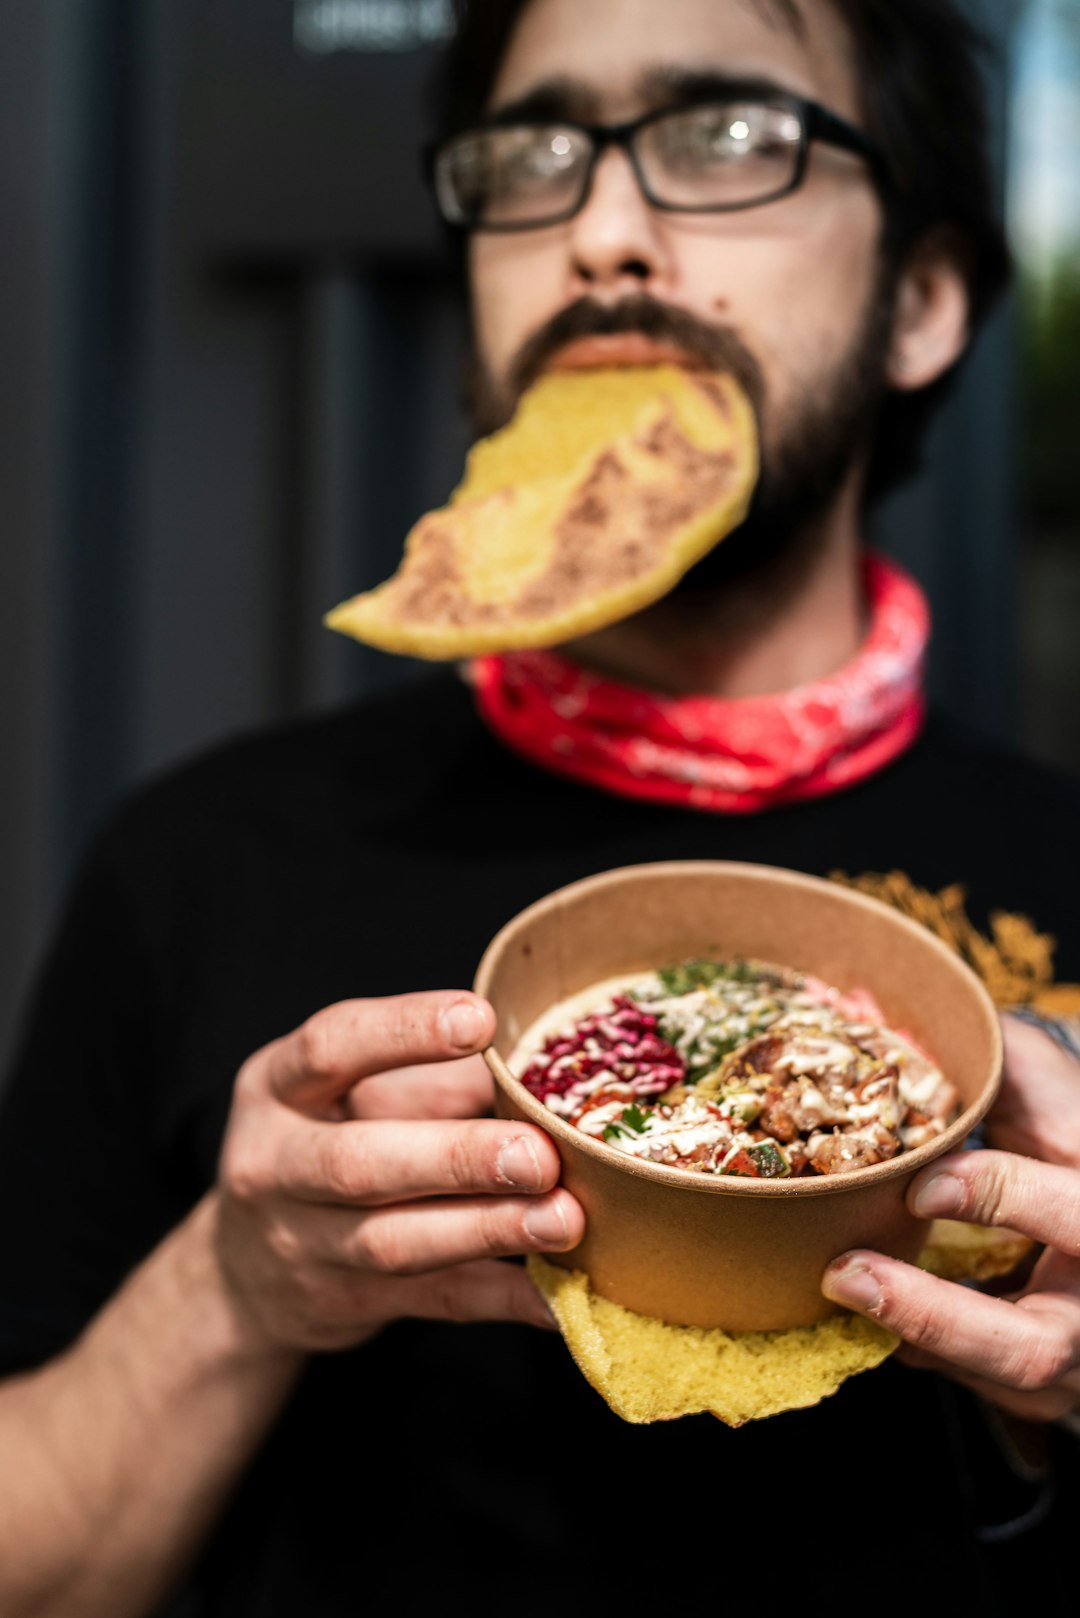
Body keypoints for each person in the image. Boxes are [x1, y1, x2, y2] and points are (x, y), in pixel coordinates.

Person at [1, 1, 1078, 1614]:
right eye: (535, 158)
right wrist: (233, 1285)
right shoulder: (201, 861)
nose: (604, 231)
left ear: (922, 301)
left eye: (727, 139)